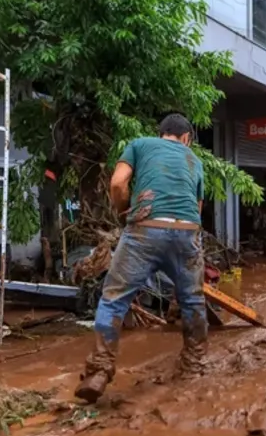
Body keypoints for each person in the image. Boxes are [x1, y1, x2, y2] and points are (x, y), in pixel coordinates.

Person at [74, 113, 208, 404]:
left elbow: (117, 184)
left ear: (161, 133)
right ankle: (194, 367)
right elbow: (197, 209)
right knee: (193, 300)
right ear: (186, 138)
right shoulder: (194, 161)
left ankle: (99, 371)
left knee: (114, 299)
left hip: (145, 229)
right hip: (186, 232)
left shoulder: (139, 144)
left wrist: (124, 211)